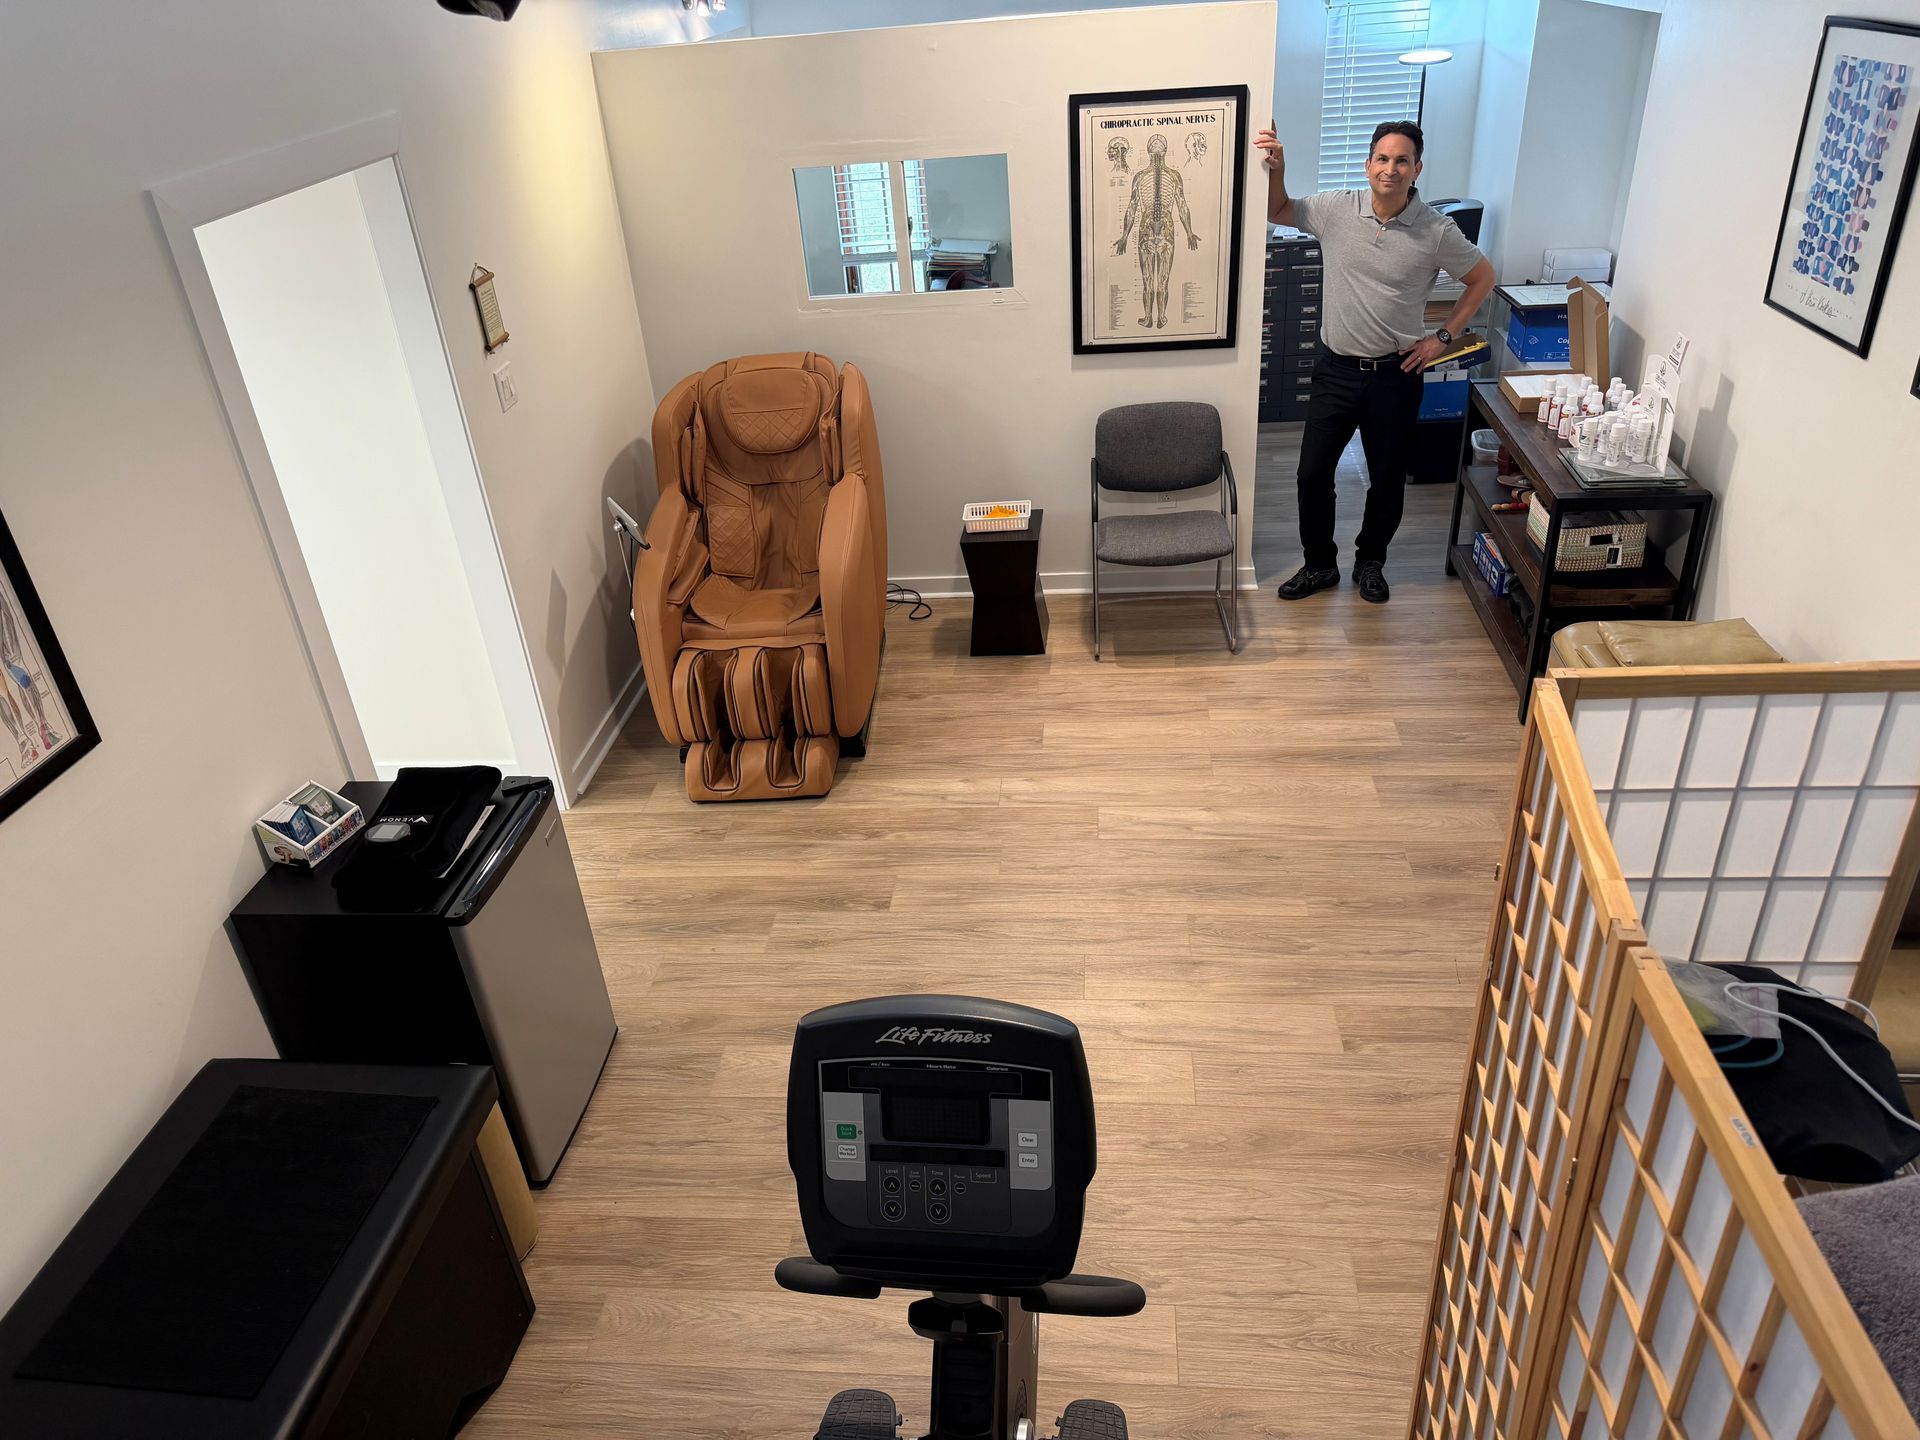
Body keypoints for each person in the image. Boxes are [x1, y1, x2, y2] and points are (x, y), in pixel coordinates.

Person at [1257, 120, 1496, 603]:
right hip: (1336, 371)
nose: (1391, 169)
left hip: (1395, 375)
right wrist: (1278, 169)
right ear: (1369, 165)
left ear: (1416, 169)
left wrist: (1442, 338)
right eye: (1382, 159)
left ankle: (1371, 561)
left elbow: (1483, 278)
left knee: (1387, 479)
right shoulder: (1334, 209)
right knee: (1312, 474)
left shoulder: (1436, 231)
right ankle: (1320, 564)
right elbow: (1278, 209)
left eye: (1401, 160)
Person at [1113, 132, 1201, 330]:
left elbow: (1132, 207)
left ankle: (1149, 318)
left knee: (1149, 280)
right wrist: (1188, 232)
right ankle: (1160, 317)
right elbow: (1182, 206)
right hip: (1166, 231)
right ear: (1166, 150)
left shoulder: (1141, 176)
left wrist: (1124, 237)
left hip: (1147, 231)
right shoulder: (1173, 176)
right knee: (1162, 280)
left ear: (1148, 151)